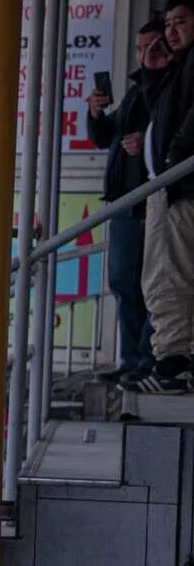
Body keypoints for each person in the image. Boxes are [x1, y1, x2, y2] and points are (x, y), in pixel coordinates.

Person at [89, 20, 171, 385]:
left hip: (154, 198)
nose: (144, 56)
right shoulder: (138, 89)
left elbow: (169, 134)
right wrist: (95, 114)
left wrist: (147, 142)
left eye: (152, 47)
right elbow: (108, 138)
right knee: (123, 282)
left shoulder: (168, 86)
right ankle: (130, 358)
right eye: (139, 49)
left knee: (151, 284)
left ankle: (148, 358)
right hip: (124, 199)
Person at [138, 0, 194, 393]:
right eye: (168, 23)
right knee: (162, 275)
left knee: (166, 276)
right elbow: (159, 113)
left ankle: (172, 363)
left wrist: (174, 159)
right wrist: (154, 73)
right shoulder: (180, 67)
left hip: (178, 186)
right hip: (168, 184)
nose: (171, 31)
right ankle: (174, 360)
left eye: (181, 22)